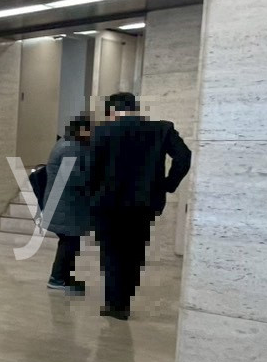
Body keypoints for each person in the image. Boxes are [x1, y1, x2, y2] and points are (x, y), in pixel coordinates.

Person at [86, 92, 192, 320]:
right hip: (144, 204)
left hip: (108, 205)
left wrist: (92, 195)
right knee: (135, 252)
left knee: (111, 253)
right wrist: (168, 184)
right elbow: (184, 157)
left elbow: (91, 168)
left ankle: (114, 304)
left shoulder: (102, 132)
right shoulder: (161, 129)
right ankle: (125, 301)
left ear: (112, 112)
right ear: (135, 108)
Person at [44, 115, 92, 294]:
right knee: (69, 242)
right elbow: (74, 178)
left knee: (71, 241)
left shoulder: (68, 144)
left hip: (65, 203)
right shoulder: (70, 148)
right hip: (65, 204)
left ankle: (65, 277)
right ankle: (57, 279)